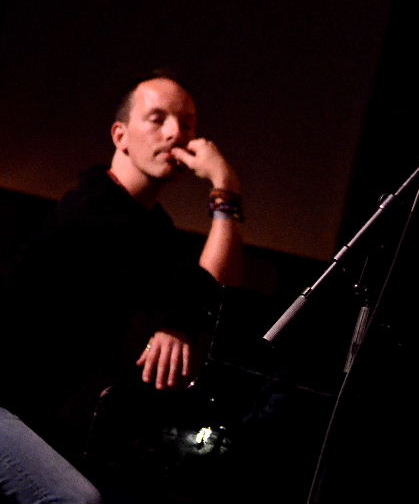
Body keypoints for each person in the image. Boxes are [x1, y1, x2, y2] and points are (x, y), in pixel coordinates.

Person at [0, 72, 244, 502]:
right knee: (75, 499)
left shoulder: (153, 229)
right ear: (121, 136)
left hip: (33, 411)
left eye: (187, 124)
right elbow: (196, 290)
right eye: (158, 119)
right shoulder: (93, 208)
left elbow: (216, 291)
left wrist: (180, 321)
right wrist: (224, 188)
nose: (175, 132)